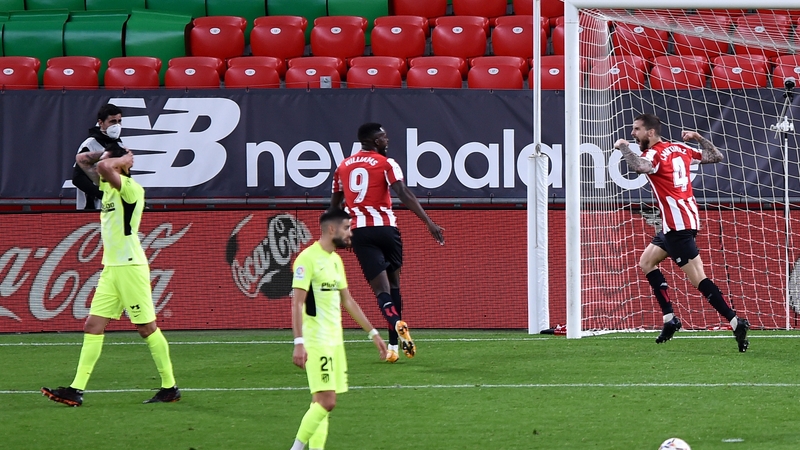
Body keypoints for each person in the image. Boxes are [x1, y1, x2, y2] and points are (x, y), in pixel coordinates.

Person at [42, 142, 180, 406]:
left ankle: (169, 387)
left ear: (120, 166)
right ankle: (76, 390)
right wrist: (108, 154)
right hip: (112, 268)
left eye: (107, 162)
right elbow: (82, 160)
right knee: (92, 326)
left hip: (130, 267)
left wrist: (122, 159)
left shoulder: (130, 189)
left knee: (146, 328)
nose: (100, 166)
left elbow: (105, 166)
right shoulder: (107, 187)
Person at [614, 113, 750, 352]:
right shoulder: (679, 147)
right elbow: (715, 156)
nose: (633, 134)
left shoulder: (653, 154)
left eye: (637, 130)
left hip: (678, 226)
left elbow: (639, 167)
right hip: (676, 223)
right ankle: (669, 319)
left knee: (699, 278)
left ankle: (735, 320)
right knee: (647, 261)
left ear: (651, 132)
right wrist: (698, 137)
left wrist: (623, 148)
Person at [329, 123, 444, 363]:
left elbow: (334, 207)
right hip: (387, 229)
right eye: (383, 137)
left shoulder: (342, 167)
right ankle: (394, 344)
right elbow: (403, 193)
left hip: (360, 231)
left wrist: (340, 235)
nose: (387, 140)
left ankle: (394, 333)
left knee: (381, 291)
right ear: (373, 141)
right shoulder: (386, 163)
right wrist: (428, 222)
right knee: (394, 285)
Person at [290, 209, 388, 450]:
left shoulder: (336, 260)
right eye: (347, 228)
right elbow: (297, 302)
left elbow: (348, 301)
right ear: (331, 229)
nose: (350, 233)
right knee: (327, 401)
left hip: (335, 342)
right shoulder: (307, 258)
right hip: (317, 341)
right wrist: (299, 342)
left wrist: (372, 333)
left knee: (320, 404)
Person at [72, 104, 124, 210]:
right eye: (113, 122)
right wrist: (102, 194)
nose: (117, 125)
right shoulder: (90, 145)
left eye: (119, 121)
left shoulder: (119, 145)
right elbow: (78, 178)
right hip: (92, 209)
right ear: (101, 123)